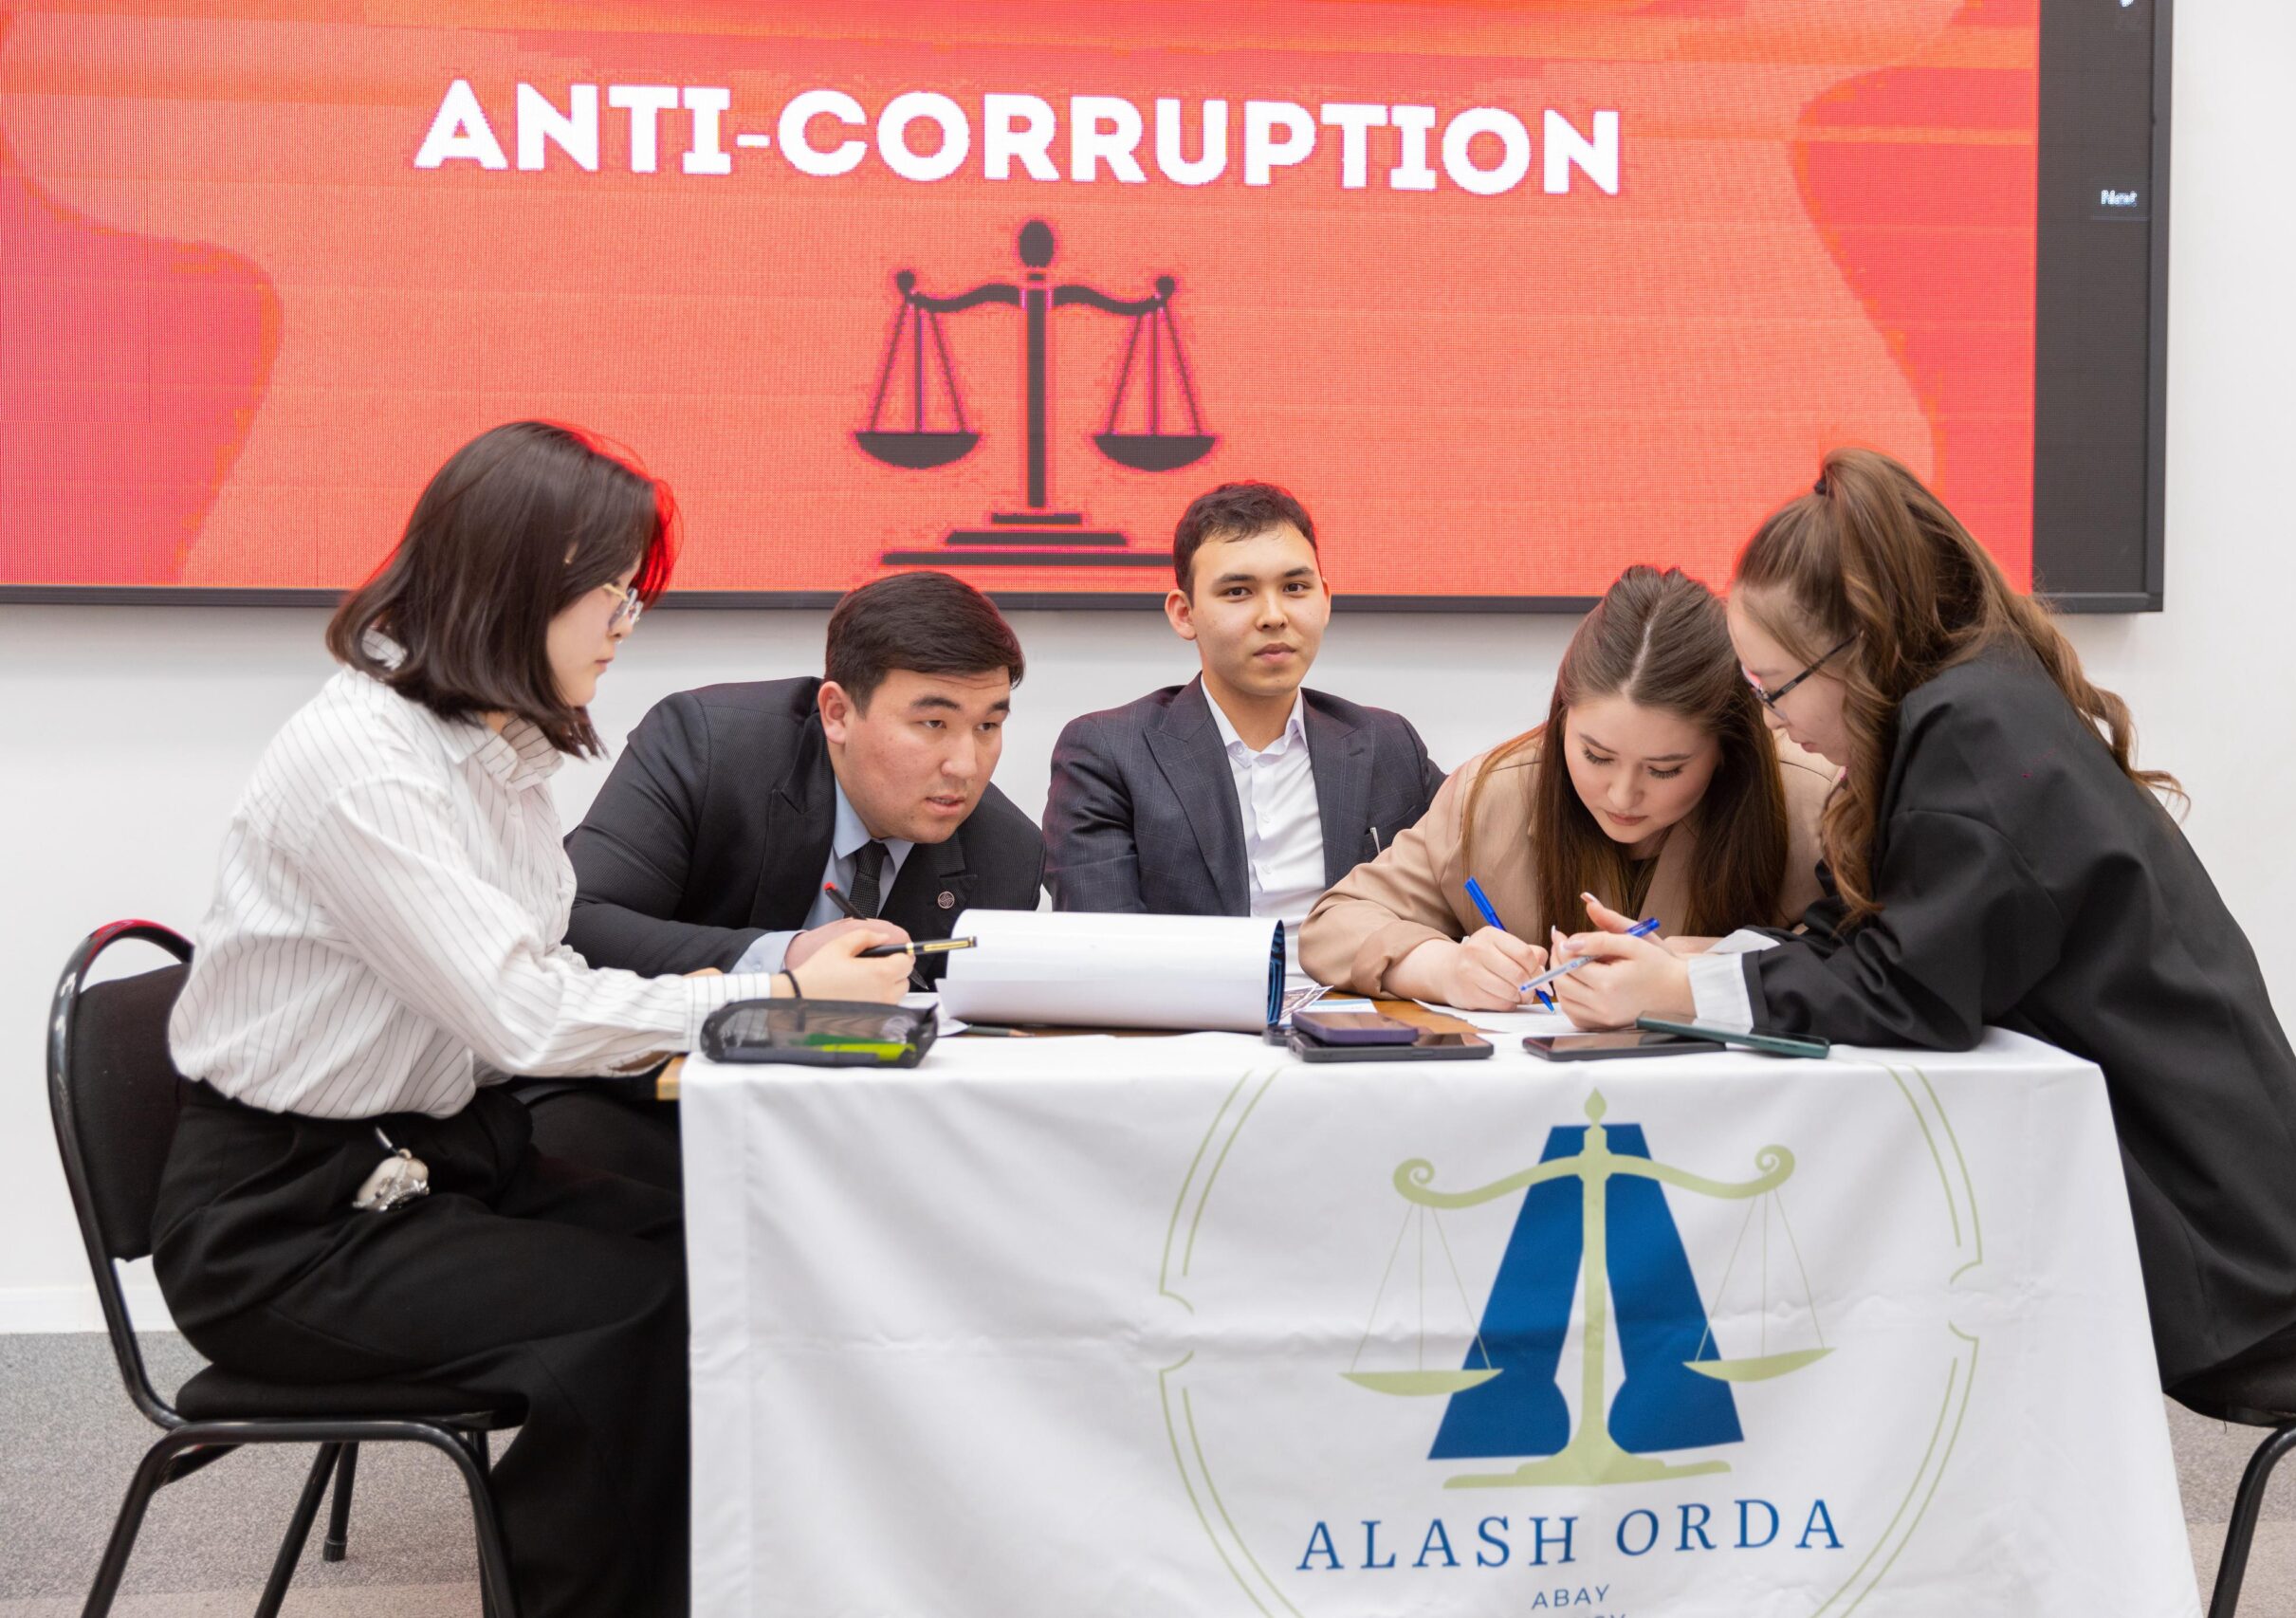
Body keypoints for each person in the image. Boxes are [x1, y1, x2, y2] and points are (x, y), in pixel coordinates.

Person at [155, 421, 910, 1618]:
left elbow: (537, 975)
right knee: (641, 1310)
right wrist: (775, 996)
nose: (626, 624)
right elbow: (522, 1010)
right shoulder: (364, 765)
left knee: (728, 1247)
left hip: (432, 1160)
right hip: (287, 1222)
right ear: (517, 581)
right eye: (613, 594)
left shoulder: (492, 751)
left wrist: (764, 1005)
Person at [1557, 448, 2296, 1389]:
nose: (1769, 719)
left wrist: (1685, 989)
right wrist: (1698, 959)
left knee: (1858, 1299)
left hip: (2220, 1250)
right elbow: (1883, 937)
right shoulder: (1966, 703)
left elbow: (1911, 992)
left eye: (1771, 686)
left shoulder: (1970, 736)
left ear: (1851, 652)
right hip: (2235, 1211)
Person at [540, 569, 1041, 1187]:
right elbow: (576, 922)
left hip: (865, 1150)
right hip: (655, 1114)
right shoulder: (710, 746)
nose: (965, 765)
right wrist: (787, 962)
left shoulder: (1006, 854)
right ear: (837, 712)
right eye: (933, 724)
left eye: (988, 726)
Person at [1299, 566, 1831, 1008]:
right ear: (1561, 721)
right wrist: (1443, 968)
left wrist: (1697, 973)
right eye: (1596, 756)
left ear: (1727, 751)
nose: (1621, 796)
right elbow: (1333, 925)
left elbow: (1861, 965)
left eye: (1664, 769)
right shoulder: (1494, 795)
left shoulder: (1809, 799)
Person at [1044, 481, 1443, 973]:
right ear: (1184, 614)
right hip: (1190, 1014)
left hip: (1361, 1011)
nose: (1273, 616)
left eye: (1294, 588)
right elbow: (1105, 949)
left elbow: (1472, 874)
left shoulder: (1386, 743)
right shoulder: (1108, 753)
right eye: (1238, 592)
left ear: (1325, 600)